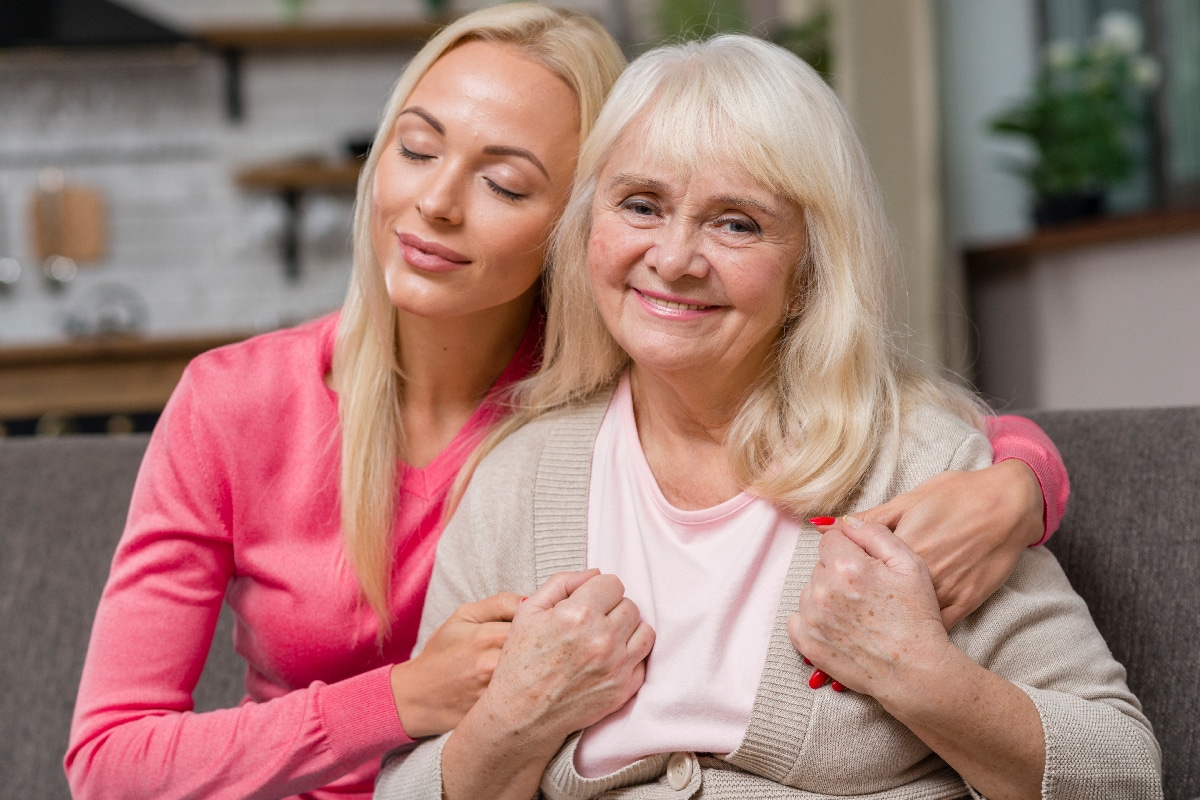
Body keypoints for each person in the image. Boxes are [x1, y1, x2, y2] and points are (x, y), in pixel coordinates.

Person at [67, 5, 1063, 799]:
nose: (435, 203)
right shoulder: (236, 401)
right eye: (417, 150)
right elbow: (107, 760)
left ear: (578, 219)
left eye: (504, 182)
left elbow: (868, 413)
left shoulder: (613, 395)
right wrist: (407, 695)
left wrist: (1022, 480)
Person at [375, 33, 1160, 800]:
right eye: (641, 205)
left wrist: (921, 677)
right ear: (588, 229)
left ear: (811, 265)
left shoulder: (916, 468)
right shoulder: (519, 478)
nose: (676, 258)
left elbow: (1123, 772)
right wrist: (513, 720)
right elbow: (406, 786)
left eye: (736, 223)